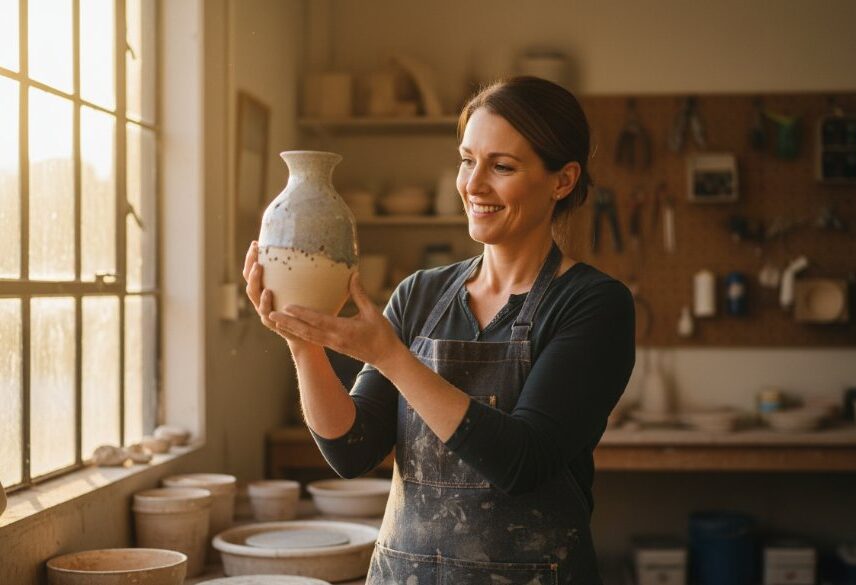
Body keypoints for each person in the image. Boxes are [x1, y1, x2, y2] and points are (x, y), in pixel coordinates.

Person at [243, 76, 635, 584]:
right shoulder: (421, 293)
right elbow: (352, 449)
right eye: (468, 160)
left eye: (502, 166)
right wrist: (304, 348)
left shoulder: (593, 304)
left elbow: (522, 462)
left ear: (562, 181)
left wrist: (392, 358)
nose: (474, 185)